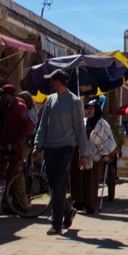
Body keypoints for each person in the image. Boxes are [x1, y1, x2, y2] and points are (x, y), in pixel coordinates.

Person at [33, 69, 89, 235]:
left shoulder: (74, 101)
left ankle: (56, 223)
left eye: (51, 81)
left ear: (57, 82)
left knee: (59, 185)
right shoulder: (50, 100)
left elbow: (80, 129)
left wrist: (83, 154)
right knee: (53, 186)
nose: (49, 84)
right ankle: (68, 211)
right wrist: (37, 145)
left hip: (66, 148)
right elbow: (43, 125)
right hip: (50, 148)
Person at [71, 98, 116, 215]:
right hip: (82, 154)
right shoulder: (84, 122)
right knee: (78, 177)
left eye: (91, 109)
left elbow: (110, 140)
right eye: (88, 109)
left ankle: (90, 205)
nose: (89, 111)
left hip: (95, 156)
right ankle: (78, 202)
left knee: (91, 181)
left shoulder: (103, 124)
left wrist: (105, 153)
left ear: (96, 110)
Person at [0, 84, 35, 213]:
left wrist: (22, 139)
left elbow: (29, 124)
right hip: (13, 145)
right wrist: (0, 143)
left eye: (3, 96)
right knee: (10, 173)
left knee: (18, 175)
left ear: (8, 95)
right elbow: (8, 128)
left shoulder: (19, 107)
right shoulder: (10, 108)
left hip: (21, 146)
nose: (2, 98)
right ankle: (13, 203)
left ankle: (22, 205)